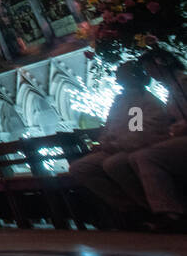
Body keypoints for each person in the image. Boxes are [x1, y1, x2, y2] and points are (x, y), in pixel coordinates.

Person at [68, 60, 170, 225]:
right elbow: (109, 126)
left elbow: (135, 133)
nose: (117, 79)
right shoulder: (120, 101)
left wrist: (114, 145)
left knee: (114, 164)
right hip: (114, 148)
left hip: (131, 148)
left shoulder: (139, 102)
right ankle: (126, 206)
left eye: (121, 75)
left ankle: (145, 208)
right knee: (80, 168)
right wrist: (103, 142)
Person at [129, 49, 187, 233]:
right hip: (141, 143)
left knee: (135, 158)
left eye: (149, 68)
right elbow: (121, 129)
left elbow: (136, 130)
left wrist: (121, 142)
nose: (150, 74)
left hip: (149, 143)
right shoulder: (129, 101)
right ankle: (142, 208)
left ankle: (163, 211)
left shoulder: (140, 102)